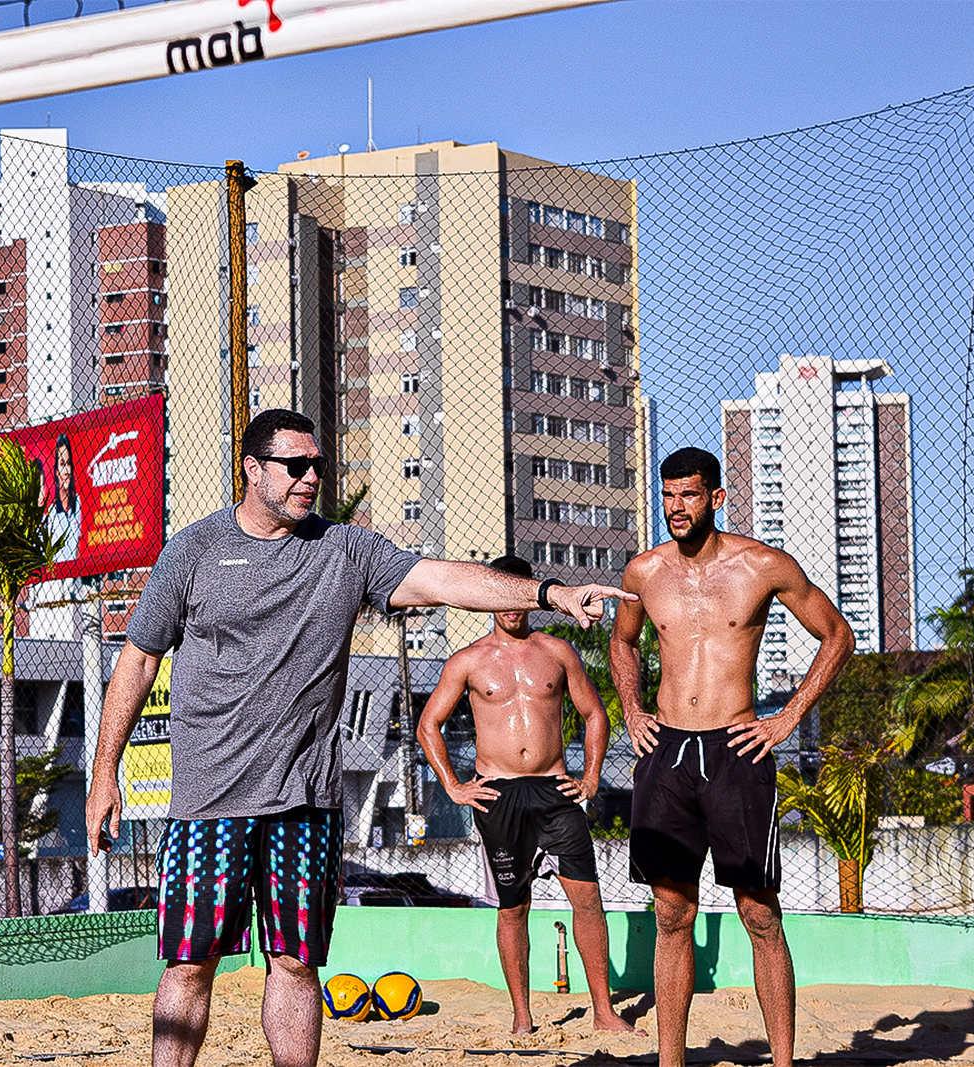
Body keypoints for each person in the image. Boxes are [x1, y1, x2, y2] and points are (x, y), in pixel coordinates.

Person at [84, 409, 634, 1067]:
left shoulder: (345, 549)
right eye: (295, 465)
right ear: (252, 469)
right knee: (189, 962)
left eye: (318, 464)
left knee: (295, 961)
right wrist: (103, 770)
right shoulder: (194, 551)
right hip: (210, 800)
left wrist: (551, 591)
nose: (311, 476)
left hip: (305, 802)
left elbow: (445, 578)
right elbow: (139, 659)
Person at [610, 447, 854, 1067]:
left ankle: (783, 1061)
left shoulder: (762, 566)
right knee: (671, 911)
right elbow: (623, 643)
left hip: (737, 749)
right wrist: (633, 711)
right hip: (666, 749)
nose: (676, 508)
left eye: (688, 495)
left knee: (758, 911)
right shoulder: (643, 573)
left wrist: (788, 717)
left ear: (716, 498)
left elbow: (837, 635)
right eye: (667, 496)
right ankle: (671, 1060)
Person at [417, 553, 638, 1037]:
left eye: (521, 590)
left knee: (587, 900)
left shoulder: (557, 652)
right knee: (513, 907)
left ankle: (603, 1011)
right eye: (503, 591)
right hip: (497, 795)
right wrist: (453, 786)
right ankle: (522, 1015)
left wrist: (592, 777)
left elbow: (595, 715)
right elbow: (427, 724)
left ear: (531, 594)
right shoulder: (468, 660)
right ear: (491, 596)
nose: (513, 605)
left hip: (555, 791)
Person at [48, 433, 82, 562]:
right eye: (62, 464)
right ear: (56, 471)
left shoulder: (78, 504)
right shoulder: (52, 513)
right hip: (56, 579)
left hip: (75, 576)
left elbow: (79, 543)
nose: (67, 471)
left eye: (68, 464)